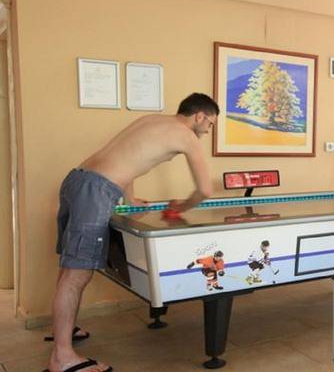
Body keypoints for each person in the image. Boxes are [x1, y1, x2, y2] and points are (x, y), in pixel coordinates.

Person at [48, 93, 218, 372]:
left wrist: (130, 199)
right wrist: (181, 207)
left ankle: (62, 332)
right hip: (96, 190)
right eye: (210, 124)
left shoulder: (151, 121)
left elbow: (128, 161)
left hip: (76, 180)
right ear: (199, 116)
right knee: (77, 273)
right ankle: (62, 357)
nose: (208, 130)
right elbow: (204, 190)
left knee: (70, 265)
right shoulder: (186, 135)